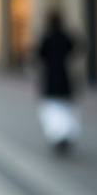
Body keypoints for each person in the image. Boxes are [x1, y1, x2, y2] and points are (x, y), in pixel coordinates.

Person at [36, 11, 80, 154]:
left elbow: (39, 54)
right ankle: (66, 134)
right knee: (65, 107)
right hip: (64, 75)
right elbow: (76, 47)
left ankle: (57, 135)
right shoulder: (65, 36)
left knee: (52, 107)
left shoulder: (47, 37)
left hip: (50, 76)